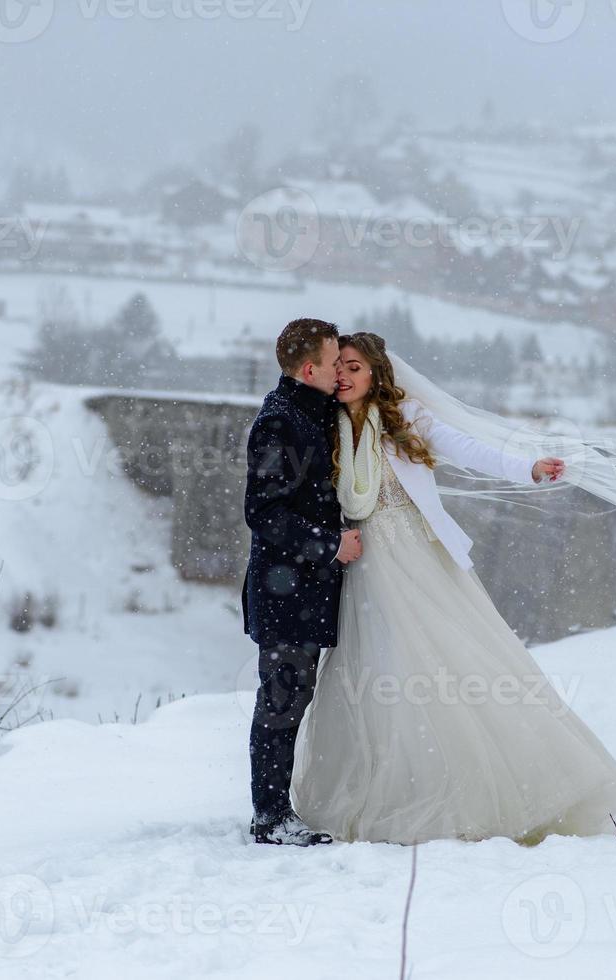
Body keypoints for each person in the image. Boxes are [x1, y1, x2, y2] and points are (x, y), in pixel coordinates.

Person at [290, 332, 616, 844]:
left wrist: (529, 468)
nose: (343, 375)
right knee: (375, 671)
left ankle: (483, 789)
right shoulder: (326, 425)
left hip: (413, 555)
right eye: (337, 366)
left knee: (444, 662)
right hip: (360, 564)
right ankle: (388, 787)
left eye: (355, 366)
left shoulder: (406, 421)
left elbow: (467, 447)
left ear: (377, 374)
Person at [242, 317, 363, 846]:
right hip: (283, 592)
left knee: (292, 698)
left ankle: (276, 813)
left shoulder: (312, 411)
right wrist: (331, 543)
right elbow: (264, 512)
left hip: (304, 589)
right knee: (282, 700)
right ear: (310, 368)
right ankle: (270, 819)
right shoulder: (279, 423)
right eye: (336, 361)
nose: (341, 370)